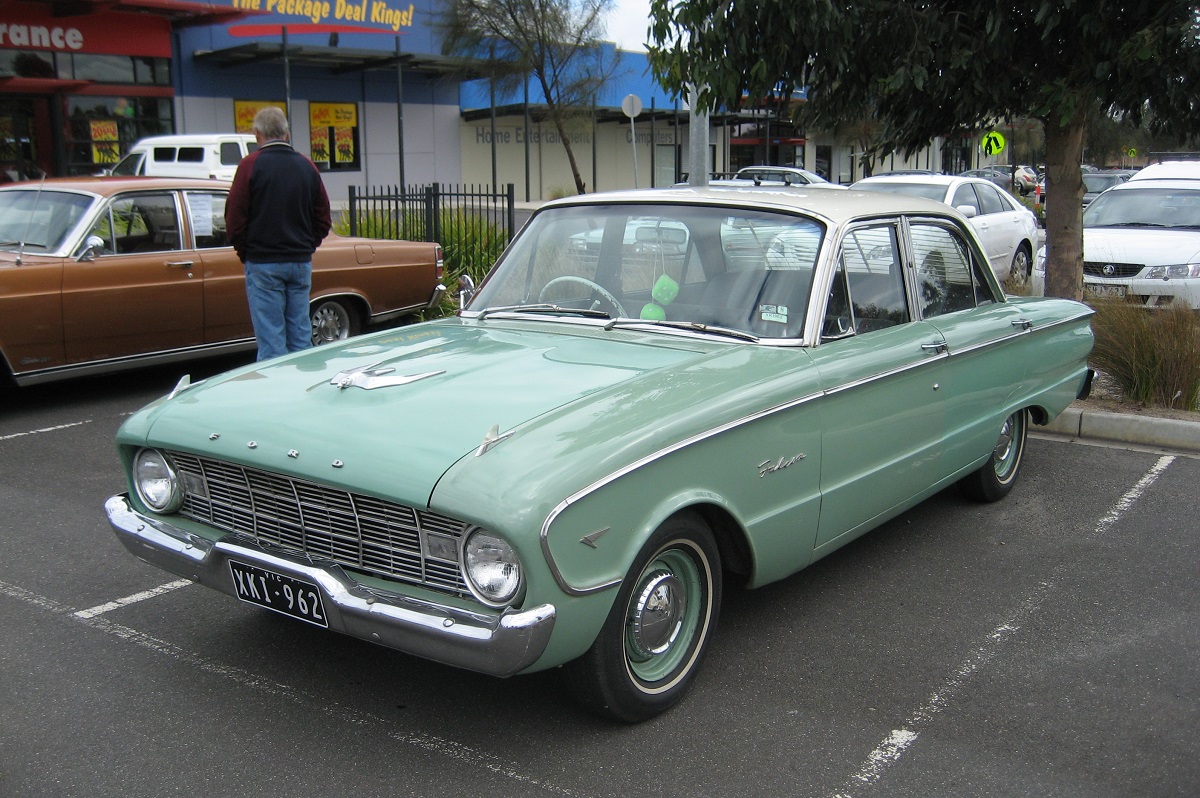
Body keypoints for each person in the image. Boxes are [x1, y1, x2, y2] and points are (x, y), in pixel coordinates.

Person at [226, 107, 332, 360]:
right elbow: (323, 219)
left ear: (257, 134)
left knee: (271, 343)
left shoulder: (250, 166)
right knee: (300, 338)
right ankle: (303, 381)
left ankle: (277, 384)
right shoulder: (306, 166)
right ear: (287, 134)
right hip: (299, 261)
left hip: (263, 262)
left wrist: (246, 252)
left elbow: (234, 219)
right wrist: (307, 245)